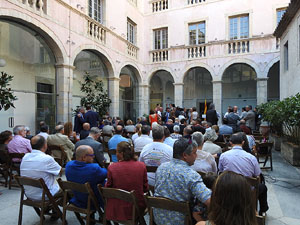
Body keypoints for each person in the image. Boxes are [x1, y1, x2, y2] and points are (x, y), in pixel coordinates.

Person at [154, 138, 211, 225]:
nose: (196, 156)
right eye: (194, 153)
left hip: (158, 218)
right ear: (185, 155)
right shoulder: (191, 175)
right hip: (181, 221)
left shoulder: (161, 167)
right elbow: (209, 200)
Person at [218, 132, 268, 215]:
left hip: (228, 187)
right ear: (243, 142)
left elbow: (220, 171)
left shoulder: (223, 156)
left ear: (230, 142)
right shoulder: (251, 158)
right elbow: (257, 175)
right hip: (247, 191)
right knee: (263, 187)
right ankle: (263, 210)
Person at [105, 141, 148, 222]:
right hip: (136, 206)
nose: (116, 154)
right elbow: (145, 188)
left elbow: (108, 189)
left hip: (117, 208)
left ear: (121, 153)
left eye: (116, 152)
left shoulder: (112, 167)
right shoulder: (141, 165)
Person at [20, 135, 61, 200]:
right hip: (45, 195)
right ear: (45, 145)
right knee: (67, 190)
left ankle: (53, 208)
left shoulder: (25, 157)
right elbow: (59, 171)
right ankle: (55, 208)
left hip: (29, 194)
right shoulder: (47, 158)